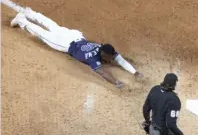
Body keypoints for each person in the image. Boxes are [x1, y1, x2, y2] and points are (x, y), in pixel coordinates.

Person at [10, 8, 143, 89]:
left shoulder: (103, 48)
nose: (112, 58)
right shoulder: (93, 58)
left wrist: (135, 72)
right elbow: (102, 72)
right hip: (64, 43)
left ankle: (30, 12)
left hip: (75, 35)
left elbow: (120, 60)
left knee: (52, 25)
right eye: (109, 57)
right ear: (103, 53)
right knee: (43, 34)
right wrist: (116, 82)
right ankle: (22, 19)